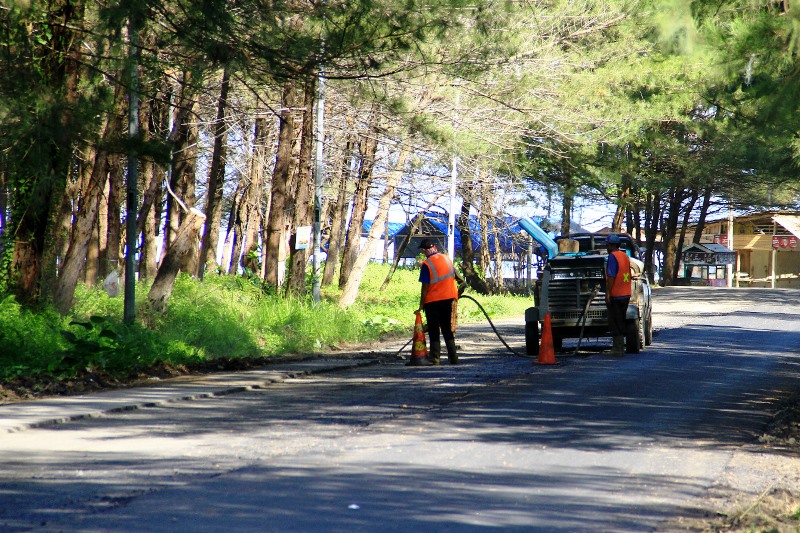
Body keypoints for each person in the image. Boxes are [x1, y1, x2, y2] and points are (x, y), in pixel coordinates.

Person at [413, 238, 459, 366]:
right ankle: (453, 357)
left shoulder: (427, 264)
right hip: (448, 299)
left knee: (433, 329)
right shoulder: (447, 259)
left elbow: (425, 287)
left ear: (424, 250)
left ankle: (435, 358)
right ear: (435, 248)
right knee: (446, 328)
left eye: (423, 251)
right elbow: (457, 277)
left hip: (433, 301)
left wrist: (421, 305)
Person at [605, 233, 632, 356]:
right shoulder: (624, 256)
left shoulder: (612, 256)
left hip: (616, 294)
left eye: (607, 244)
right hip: (626, 293)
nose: (606, 247)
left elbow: (611, 276)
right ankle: (621, 347)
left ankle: (617, 348)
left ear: (611, 245)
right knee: (621, 319)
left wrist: (608, 293)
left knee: (615, 321)